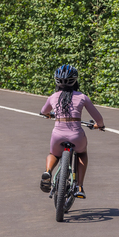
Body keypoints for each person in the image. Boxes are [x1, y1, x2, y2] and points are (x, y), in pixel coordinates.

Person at [39, 64, 105, 199]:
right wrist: (100, 125)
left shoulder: (53, 97)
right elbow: (98, 118)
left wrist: (49, 114)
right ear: (75, 80)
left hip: (57, 135)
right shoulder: (82, 97)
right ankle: (80, 186)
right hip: (76, 135)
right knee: (82, 154)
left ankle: (48, 172)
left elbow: (43, 111)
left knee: (54, 154)